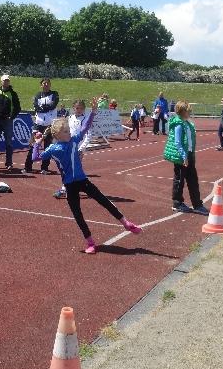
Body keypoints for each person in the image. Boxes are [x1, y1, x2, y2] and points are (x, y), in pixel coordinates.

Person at [32, 98, 142, 254]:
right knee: (78, 214)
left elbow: (85, 127)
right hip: (69, 185)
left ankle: (126, 223)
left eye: (69, 130)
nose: (70, 132)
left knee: (104, 200)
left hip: (83, 180)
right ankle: (90, 242)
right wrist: (37, 143)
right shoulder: (53, 149)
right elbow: (35, 158)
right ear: (57, 134)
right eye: (66, 131)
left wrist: (93, 112)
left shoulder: (74, 140)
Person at [164, 101, 209, 215]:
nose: (190, 112)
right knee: (179, 180)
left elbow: (189, 140)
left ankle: (197, 204)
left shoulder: (188, 123)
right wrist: (184, 156)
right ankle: (177, 203)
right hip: (181, 156)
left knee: (193, 180)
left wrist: (190, 154)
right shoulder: (178, 124)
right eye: (188, 111)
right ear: (182, 111)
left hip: (189, 155)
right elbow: (177, 142)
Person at [53, 99, 92, 199]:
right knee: (68, 169)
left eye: (81, 108)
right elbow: (65, 131)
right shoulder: (70, 118)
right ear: (73, 108)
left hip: (78, 148)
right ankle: (75, 188)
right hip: (67, 147)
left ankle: (66, 189)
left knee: (72, 170)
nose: (79, 110)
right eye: (77, 108)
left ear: (84, 109)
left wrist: (82, 148)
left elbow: (88, 135)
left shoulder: (85, 119)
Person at [23, 77, 59, 175]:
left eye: (48, 83)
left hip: (50, 125)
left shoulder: (54, 94)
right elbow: (36, 107)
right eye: (44, 83)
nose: (46, 85)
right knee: (33, 145)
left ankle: (44, 168)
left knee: (47, 147)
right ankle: (27, 167)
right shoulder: (38, 95)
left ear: (50, 85)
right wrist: (44, 108)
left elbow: (53, 105)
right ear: (41, 85)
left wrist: (43, 107)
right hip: (38, 124)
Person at [0, 74, 21, 170]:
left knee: (8, 143)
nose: (6, 82)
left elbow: (18, 108)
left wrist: (12, 117)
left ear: (9, 82)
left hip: (7, 121)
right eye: (4, 80)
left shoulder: (13, 94)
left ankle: (9, 163)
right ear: (1, 81)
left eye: (7, 80)